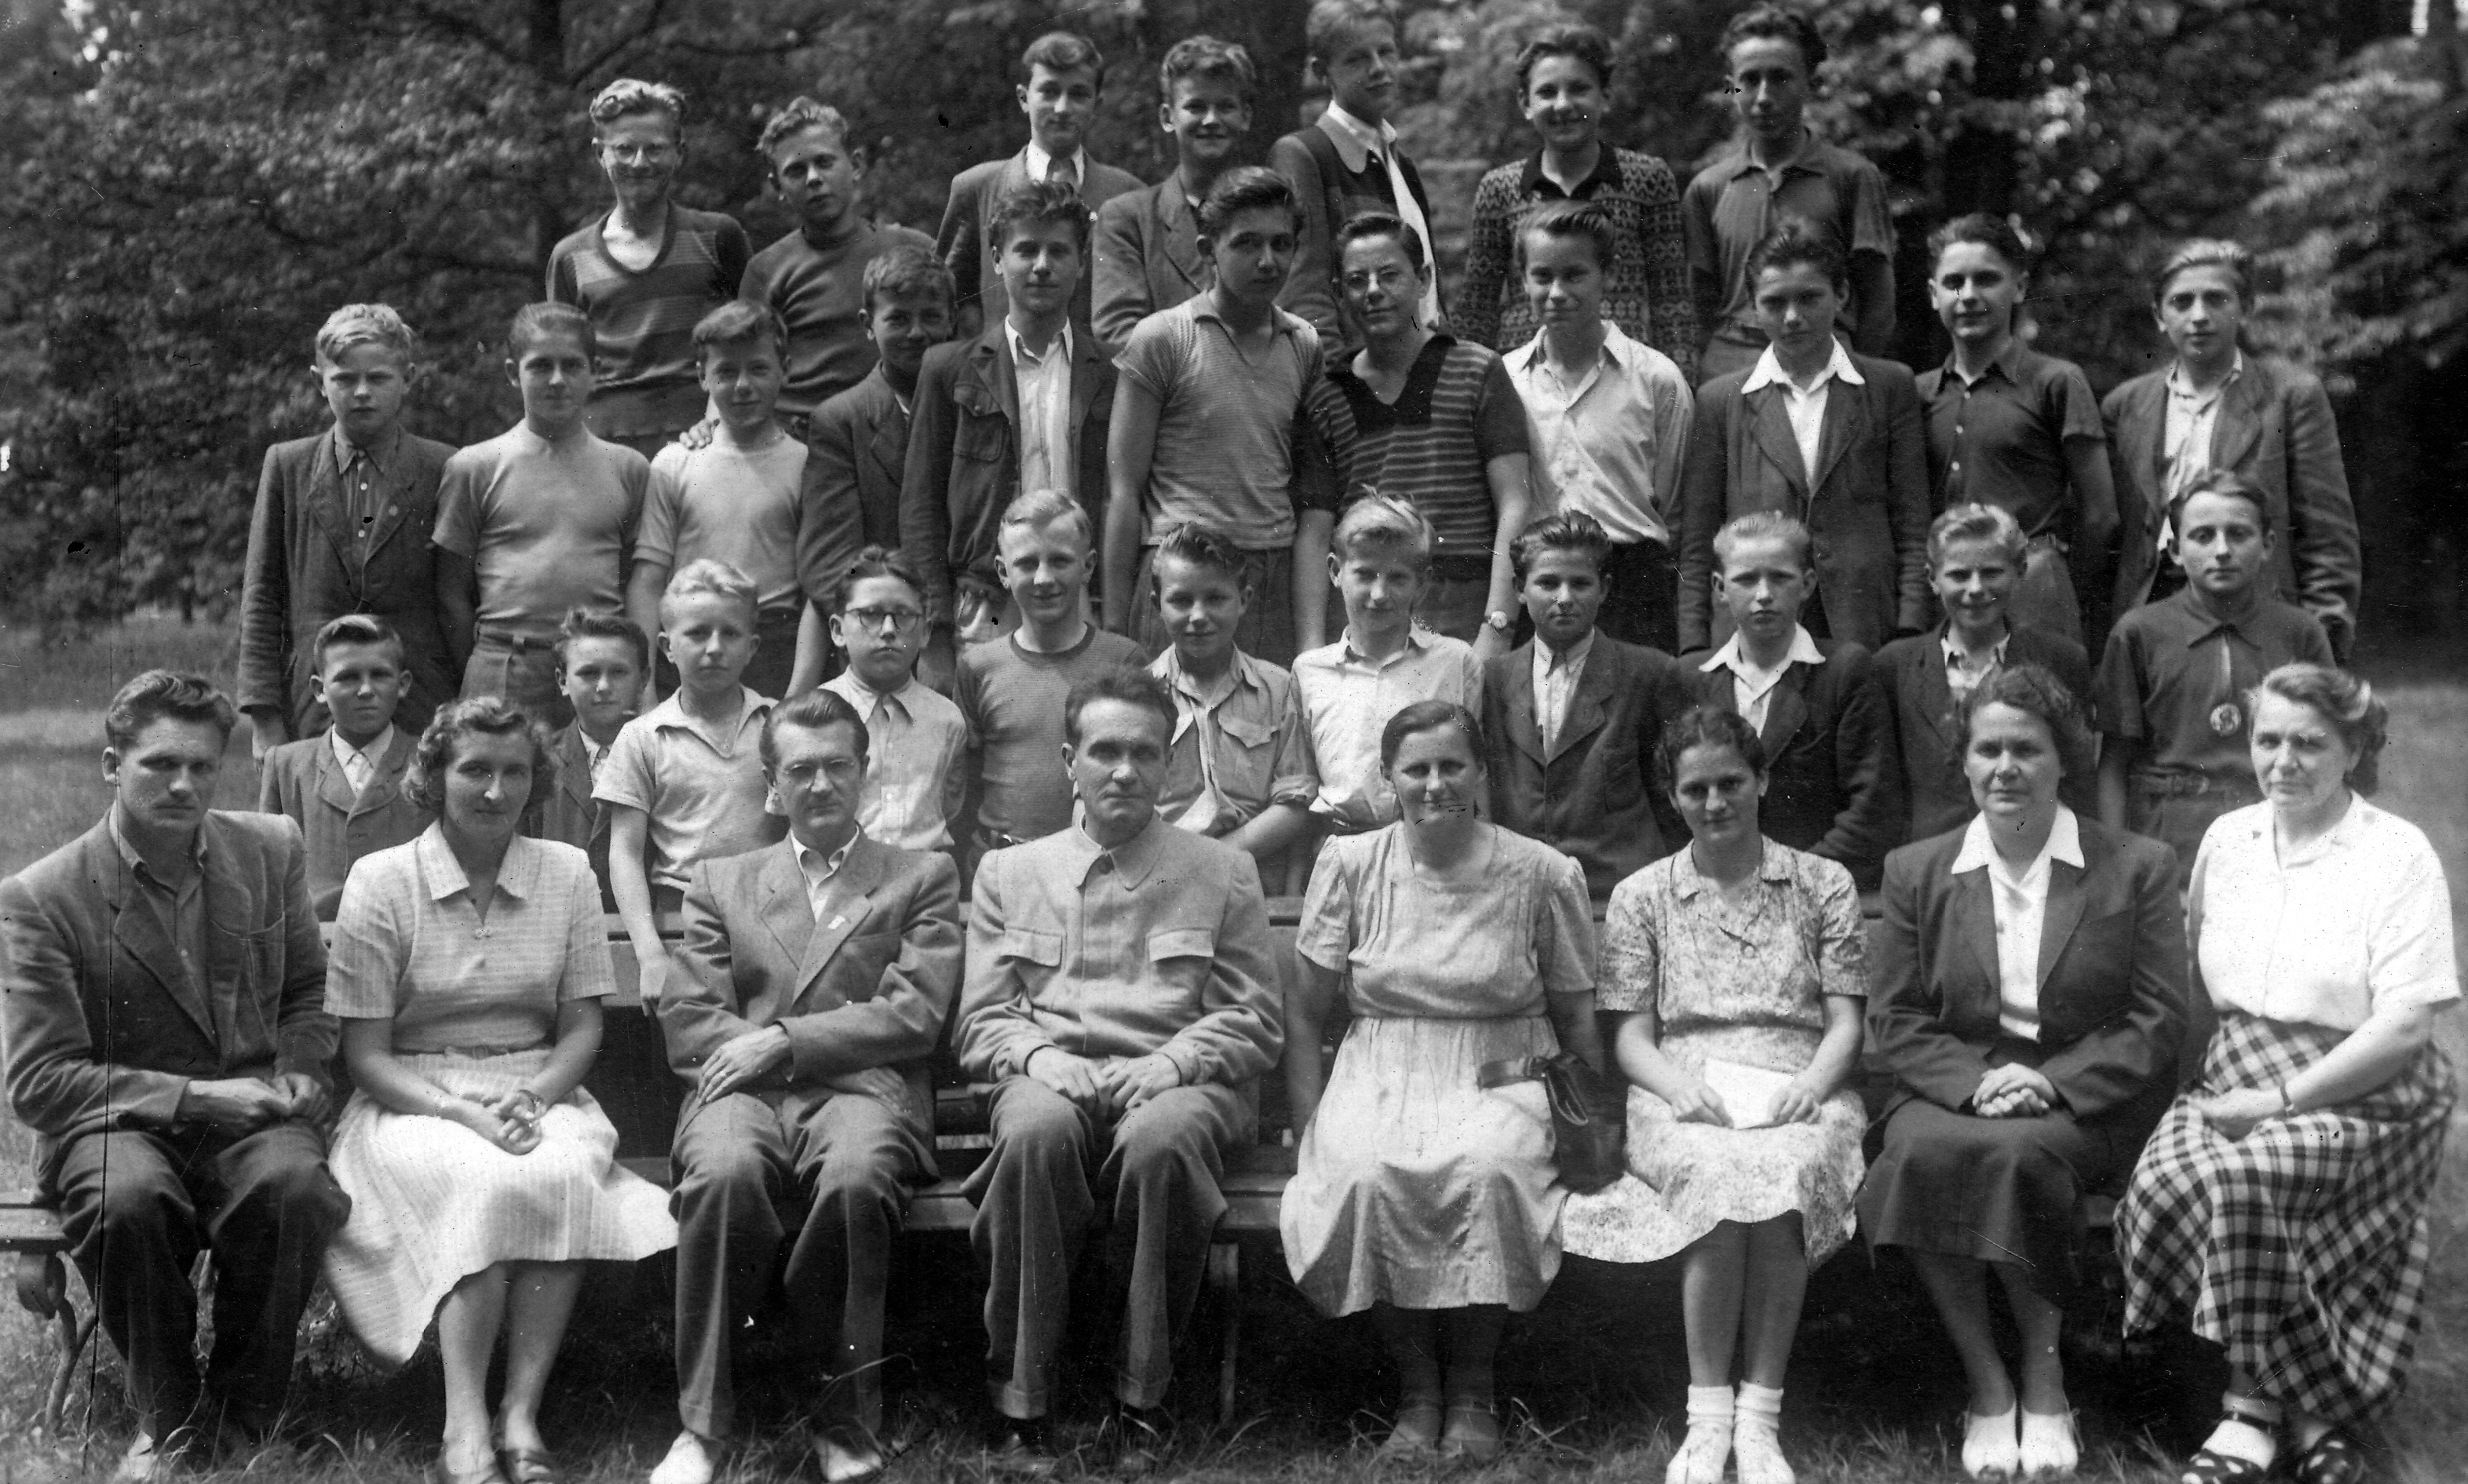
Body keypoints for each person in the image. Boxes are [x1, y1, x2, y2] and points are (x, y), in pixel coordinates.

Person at [0, 672, 348, 1481]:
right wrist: (196, 1097)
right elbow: (42, 1081)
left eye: (202, 765)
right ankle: (168, 1417)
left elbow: (307, 989)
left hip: (253, 1120)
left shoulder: (268, 848)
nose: (184, 784)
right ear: (111, 765)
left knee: (294, 1185)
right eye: (160, 764)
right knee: (127, 1198)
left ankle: (245, 1416)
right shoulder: (42, 896)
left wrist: (300, 1065)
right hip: (116, 1125)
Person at [319, 697, 676, 1484]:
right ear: (434, 775)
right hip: (411, 1095)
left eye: (515, 772)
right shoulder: (382, 880)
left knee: (557, 1169)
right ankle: (464, 1423)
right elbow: (365, 1054)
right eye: (474, 769)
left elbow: (582, 1025)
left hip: (533, 1088)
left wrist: (537, 1096)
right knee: (478, 1177)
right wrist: (461, 1112)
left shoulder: (566, 871)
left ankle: (520, 1411)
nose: (495, 789)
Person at [2119, 665, 2458, 1484]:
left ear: (2355, 750)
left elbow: (2406, 1025)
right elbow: (2195, 981)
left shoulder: (2396, 853)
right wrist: (2194, 1095)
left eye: (2309, 743)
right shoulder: (2228, 839)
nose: (2283, 761)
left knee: (2250, 1177)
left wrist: (2276, 1102)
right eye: (2268, 739)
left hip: (2369, 1084)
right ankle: (2315, 1411)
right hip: (2237, 1069)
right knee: (2165, 1181)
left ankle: (2250, 1416)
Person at [1860, 664, 2185, 1481]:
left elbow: (2156, 1016)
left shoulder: (2135, 865)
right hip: (1955, 1086)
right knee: (1920, 1154)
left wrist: (2053, 1082)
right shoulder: (1918, 870)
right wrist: (1976, 1082)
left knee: (2015, 1155)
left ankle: (2045, 1379)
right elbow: (1896, 1016)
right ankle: (1988, 1381)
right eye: (1988, 749)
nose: (2006, 767)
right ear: (1965, 761)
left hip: (2081, 1098)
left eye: (2027, 749)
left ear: (2064, 757)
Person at [956, 669, 1282, 1471]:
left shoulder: (1221, 871)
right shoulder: (1011, 873)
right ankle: (1023, 1404)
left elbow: (1254, 1017)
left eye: (1145, 753)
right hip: (1052, 1079)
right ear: (1071, 761)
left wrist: (1176, 1060)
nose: (1125, 771)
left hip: (1181, 1085)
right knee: (1033, 1132)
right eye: (1105, 752)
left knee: (1159, 1142)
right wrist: (1040, 1057)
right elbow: (982, 1018)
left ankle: (1144, 1399)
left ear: (1170, 764)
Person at [653, 688, 965, 1484]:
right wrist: (768, 1055)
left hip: (863, 1094)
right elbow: (690, 1016)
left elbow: (914, 1014)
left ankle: (841, 1414)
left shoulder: (920, 875)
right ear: (772, 785)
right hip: (739, 1094)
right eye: (800, 770)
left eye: (837, 766)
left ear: (865, 772)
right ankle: (704, 1424)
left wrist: (784, 1042)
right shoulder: (722, 880)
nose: (820, 784)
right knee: (723, 1174)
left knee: (857, 1177)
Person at [1281, 700, 1605, 1463]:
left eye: (1451, 765)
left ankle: (1473, 1386)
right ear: (1389, 778)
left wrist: (1592, 1124)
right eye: (1416, 768)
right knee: (1364, 1170)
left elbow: (1576, 1014)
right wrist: (1309, 1124)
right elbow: (1305, 1012)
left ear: (1481, 772)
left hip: (1503, 1067)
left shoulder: (1541, 871)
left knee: (1488, 1168)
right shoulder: (1351, 864)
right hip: (1381, 1064)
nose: (1435, 784)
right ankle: (1417, 1386)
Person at [1561, 706, 1870, 1484]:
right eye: (1694, 789)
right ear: (1673, 797)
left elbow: (1845, 1023)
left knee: (1787, 1171)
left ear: (1761, 780)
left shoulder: (1821, 883)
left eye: (1731, 782)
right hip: (1683, 1088)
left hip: (1800, 1085)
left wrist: (1812, 1084)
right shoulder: (1644, 895)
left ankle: (1759, 1420)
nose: (1714, 801)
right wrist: (1678, 1087)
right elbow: (1630, 1037)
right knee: (1715, 1173)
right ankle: (1708, 1420)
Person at [1104, 166, 1329, 667]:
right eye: (1246, 243)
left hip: (1267, 575)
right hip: (1180, 571)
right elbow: (1123, 489)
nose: (1267, 261)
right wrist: (1116, 628)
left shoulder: (1303, 343)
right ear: (1208, 250)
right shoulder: (1164, 338)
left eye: (1281, 244)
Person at [2101, 239, 2361, 661]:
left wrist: (2324, 648)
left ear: (2246, 308)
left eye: (2216, 299)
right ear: (2159, 316)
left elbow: (2328, 535)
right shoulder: (2125, 406)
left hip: (2258, 616)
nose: (2199, 316)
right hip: (2152, 614)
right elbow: (2110, 536)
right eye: (2181, 302)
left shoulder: (2289, 396)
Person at [1677, 223, 1929, 655]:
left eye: (1809, 298)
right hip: (1755, 624)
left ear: (1841, 295)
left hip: (1864, 621)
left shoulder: (1888, 386)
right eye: (1774, 303)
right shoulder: (1721, 400)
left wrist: (1911, 628)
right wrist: (1695, 643)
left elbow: (1913, 521)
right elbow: (1698, 537)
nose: (1792, 317)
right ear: (1753, 307)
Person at [904, 180, 1118, 654]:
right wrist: (934, 632)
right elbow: (921, 507)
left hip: (1083, 597)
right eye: (1026, 250)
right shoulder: (949, 369)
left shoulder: (1110, 370)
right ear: (998, 259)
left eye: (1058, 251)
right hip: (987, 603)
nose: (1042, 265)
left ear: (1082, 263)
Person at [1304, 211, 1532, 650]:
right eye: (1357, 281)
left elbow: (1515, 503)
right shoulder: (1327, 395)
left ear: (1423, 279)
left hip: (1464, 605)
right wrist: (1313, 650)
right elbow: (1315, 534)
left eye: (1389, 275)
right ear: (1338, 293)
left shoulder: (1478, 370)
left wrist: (1496, 628)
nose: (1374, 291)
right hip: (1367, 606)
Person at [239, 302, 457, 757]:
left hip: (417, 696)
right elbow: (262, 598)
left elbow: (456, 598)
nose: (362, 392)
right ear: (319, 382)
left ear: (408, 379)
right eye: (344, 379)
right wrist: (264, 717)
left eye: (378, 378)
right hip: (315, 697)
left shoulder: (443, 467)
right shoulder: (288, 466)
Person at [2094, 472, 2335, 873]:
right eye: (2203, 536)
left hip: (2273, 829)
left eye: (2238, 534)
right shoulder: (2139, 633)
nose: (2222, 550)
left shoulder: (2300, 633)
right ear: (2175, 550)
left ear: (2267, 545)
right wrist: (2117, 863)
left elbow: (2327, 753)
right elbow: (2115, 763)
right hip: (2168, 832)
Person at [433, 301, 651, 727]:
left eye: (572, 365)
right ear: (513, 373)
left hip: (598, 669)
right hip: (506, 662)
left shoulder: (628, 467)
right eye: (540, 366)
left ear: (596, 371)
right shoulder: (476, 466)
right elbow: (451, 590)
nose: (557, 380)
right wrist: (484, 665)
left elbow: (633, 578)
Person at [1917, 216, 2120, 647]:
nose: (1969, 295)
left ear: (2020, 288)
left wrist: (2057, 582)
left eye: (1987, 279)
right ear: (1934, 295)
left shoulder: (2056, 381)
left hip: (2032, 588)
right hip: (1946, 592)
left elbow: (2101, 514)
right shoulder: (1919, 393)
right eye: (1954, 283)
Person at [1506, 198, 1696, 652]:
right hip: (1541, 581)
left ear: (1608, 275)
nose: (1556, 292)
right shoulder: (1507, 380)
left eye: (1574, 275)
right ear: (1523, 280)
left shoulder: (1656, 379)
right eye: (1542, 276)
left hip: (1633, 584)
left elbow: (1674, 504)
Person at [1458, 24, 1696, 378]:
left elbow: (1672, 300)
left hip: (1625, 375)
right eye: (1547, 92)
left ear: (1605, 97)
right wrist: (1470, 388)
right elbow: (1477, 307)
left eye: (1579, 89)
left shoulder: (1648, 178)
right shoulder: (1500, 188)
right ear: (1526, 103)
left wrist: (1682, 382)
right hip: (1528, 378)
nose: (1563, 105)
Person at [601, 561, 787, 1006]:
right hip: (681, 921)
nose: (715, 648)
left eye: (731, 634)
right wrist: (649, 955)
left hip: (772, 916)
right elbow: (625, 852)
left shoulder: (779, 725)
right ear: (667, 647)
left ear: (752, 647)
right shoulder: (643, 736)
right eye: (698, 633)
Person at [1480, 512, 1691, 896]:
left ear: (1604, 589)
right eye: (1548, 583)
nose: (1565, 599)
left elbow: (1675, 802)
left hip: (1616, 894)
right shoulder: (1491, 680)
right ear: (1520, 589)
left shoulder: (1649, 674)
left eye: (1580, 583)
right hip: (1517, 891)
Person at [1681, 4, 1894, 382]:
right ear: (1731, 86)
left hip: (1825, 368)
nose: (1764, 96)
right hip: (1732, 371)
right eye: (1750, 80)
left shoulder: (1852, 176)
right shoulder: (1708, 188)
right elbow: (1698, 303)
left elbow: (1877, 299)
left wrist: (1852, 378)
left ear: (1810, 83)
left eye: (1780, 78)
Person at [1692, 513, 1901, 889]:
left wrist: (1786, 882)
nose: (1764, 594)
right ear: (1720, 588)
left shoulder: (1843, 671)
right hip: (1714, 888)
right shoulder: (1691, 679)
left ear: (1807, 585)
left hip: (1814, 885)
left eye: (1780, 577)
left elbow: (1871, 809)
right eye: (1746, 579)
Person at [547, 79, 750, 457]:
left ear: (680, 153)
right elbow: (561, 366)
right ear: (600, 154)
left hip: (704, 444)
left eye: (655, 149)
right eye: (624, 149)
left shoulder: (718, 236)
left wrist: (715, 420)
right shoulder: (570, 257)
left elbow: (752, 343)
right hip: (603, 450)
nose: (640, 163)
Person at [954, 490, 1147, 871]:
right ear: (1003, 572)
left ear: (1088, 566)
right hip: (1002, 863)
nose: (1044, 578)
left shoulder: (1123, 660)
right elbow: (966, 781)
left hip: (1096, 863)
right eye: (1027, 563)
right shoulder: (979, 666)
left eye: (1060, 561)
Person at [1875, 505, 2093, 842]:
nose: (1976, 588)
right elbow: (1883, 787)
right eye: (1959, 575)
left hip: (2029, 847)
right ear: (1932, 578)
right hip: (1930, 856)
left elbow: (2077, 778)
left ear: (2020, 571)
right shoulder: (1894, 666)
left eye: (1991, 573)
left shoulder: (2060, 660)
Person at [626, 301, 808, 701]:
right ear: (702, 377)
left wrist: (798, 691)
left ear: (785, 370)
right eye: (726, 371)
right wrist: (645, 689)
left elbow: (814, 587)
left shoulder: (804, 463)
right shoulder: (675, 463)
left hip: (772, 646)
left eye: (758, 369)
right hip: (690, 643)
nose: (742, 385)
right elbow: (649, 581)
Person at [795, 246, 956, 692]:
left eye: (931, 317)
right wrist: (906, 624)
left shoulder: (970, 405)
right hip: (882, 638)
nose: (917, 333)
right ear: (869, 324)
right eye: (898, 319)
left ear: (952, 320)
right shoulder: (842, 420)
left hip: (970, 623)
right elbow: (830, 561)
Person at [736, 97, 936, 431]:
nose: (813, 178)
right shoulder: (766, 270)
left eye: (825, 162)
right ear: (777, 186)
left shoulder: (913, 248)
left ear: (855, 165)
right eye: (796, 171)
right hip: (805, 435)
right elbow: (743, 363)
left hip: (901, 430)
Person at [1292, 495, 1486, 838]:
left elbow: (1476, 781)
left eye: (1397, 578)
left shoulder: (1455, 662)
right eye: (1365, 575)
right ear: (1336, 571)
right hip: (1340, 843)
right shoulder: (1310, 671)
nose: (1379, 593)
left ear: (1422, 584)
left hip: (1432, 842)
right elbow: (1301, 786)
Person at [936, 30, 1142, 340]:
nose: (1062, 108)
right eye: (1049, 92)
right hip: (1002, 365)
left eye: (1078, 95)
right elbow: (945, 298)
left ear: (1096, 105)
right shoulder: (978, 188)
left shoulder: (1127, 194)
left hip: (1098, 367)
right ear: (1023, 98)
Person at [1144, 521, 1320, 872]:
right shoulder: (1140, 695)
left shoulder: (1278, 689)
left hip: (1252, 871)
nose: (1198, 616)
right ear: (1157, 605)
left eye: (1216, 599)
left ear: (1244, 601)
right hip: (1160, 872)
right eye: (1181, 600)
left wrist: (1212, 859)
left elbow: (1295, 802)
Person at [1271, 1, 1440, 350]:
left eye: (1386, 51)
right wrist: (1335, 379)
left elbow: (1428, 291)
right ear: (1322, 71)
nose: (1379, 68)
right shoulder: (1305, 155)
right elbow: (1304, 295)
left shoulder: (1400, 162)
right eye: (1358, 59)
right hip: (1358, 374)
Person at [255, 614, 433, 917]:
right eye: (348, 677)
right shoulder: (286, 764)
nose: (365, 690)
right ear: (319, 689)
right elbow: (267, 870)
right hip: (316, 935)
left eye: (380, 675)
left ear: (403, 684)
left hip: (408, 930)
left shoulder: (429, 762)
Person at [1091, 36, 1256, 345]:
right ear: (1168, 117)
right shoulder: (1128, 220)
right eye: (1195, 107)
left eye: (1225, 107)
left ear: (1245, 116)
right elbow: (1117, 334)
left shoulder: (1274, 213)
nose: (1211, 120)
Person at [820, 547, 969, 856]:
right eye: (870, 615)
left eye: (903, 616)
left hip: (925, 876)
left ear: (925, 632)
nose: (888, 630)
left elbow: (949, 811)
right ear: (837, 630)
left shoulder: (946, 719)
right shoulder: (814, 716)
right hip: (841, 874)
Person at [524, 607, 649, 907]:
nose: (603, 687)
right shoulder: (538, 760)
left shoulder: (663, 755)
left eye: (618, 672)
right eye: (589, 673)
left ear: (643, 680)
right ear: (563, 681)